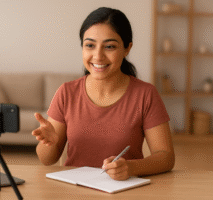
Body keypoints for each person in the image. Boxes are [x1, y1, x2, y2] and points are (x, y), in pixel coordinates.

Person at [32, 7, 175, 180]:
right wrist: (50, 142)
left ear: (127, 48)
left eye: (109, 46)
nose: (98, 56)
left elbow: (166, 157)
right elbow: (46, 160)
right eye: (90, 45)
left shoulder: (145, 94)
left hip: (124, 190)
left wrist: (131, 167)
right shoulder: (66, 92)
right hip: (74, 190)